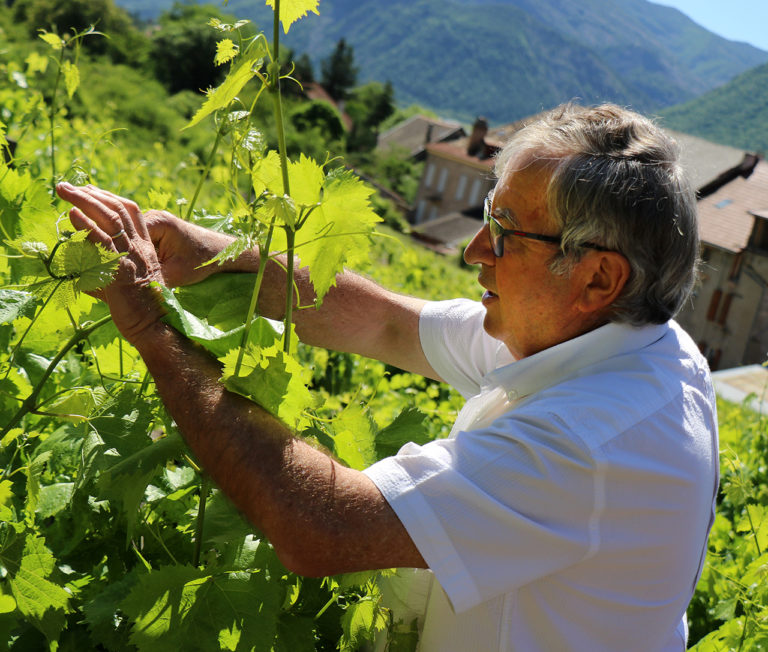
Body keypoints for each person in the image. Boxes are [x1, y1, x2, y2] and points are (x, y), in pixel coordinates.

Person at [56, 103, 718, 652]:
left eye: (507, 233)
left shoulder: (592, 444)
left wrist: (151, 325)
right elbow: (385, 323)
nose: (473, 251)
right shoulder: (623, 342)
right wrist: (207, 254)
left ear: (598, 278)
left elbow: (316, 525)